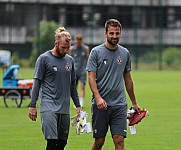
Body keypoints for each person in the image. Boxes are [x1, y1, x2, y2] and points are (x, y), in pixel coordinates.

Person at [86, 19, 141, 150]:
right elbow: (91, 77)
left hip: (119, 105)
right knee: (99, 141)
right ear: (105, 33)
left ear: (120, 33)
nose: (114, 36)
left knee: (119, 140)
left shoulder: (125, 53)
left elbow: (128, 79)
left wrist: (134, 103)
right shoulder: (96, 52)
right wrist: (98, 97)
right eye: (111, 33)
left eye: (117, 33)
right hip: (101, 106)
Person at [28, 27, 82, 150]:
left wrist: (78, 106)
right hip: (48, 106)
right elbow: (36, 83)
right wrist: (32, 106)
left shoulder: (70, 60)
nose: (66, 50)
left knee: (62, 143)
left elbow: (72, 85)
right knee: (52, 142)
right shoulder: (44, 59)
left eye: (67, 48)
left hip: (64, 108)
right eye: (63, 47)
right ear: (56, 44)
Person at [69, 34, 89, 107]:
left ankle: (81, 103)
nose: (78, 42)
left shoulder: (86, 48)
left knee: (82, 86)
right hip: (74, 70)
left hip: (82, 70)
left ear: (82, 41)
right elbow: (70, 59)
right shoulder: (71, 49)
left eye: (80, 41)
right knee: (74, 87)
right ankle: (76, 103)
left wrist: (88, 68)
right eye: (77, 41)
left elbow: (87, 59)